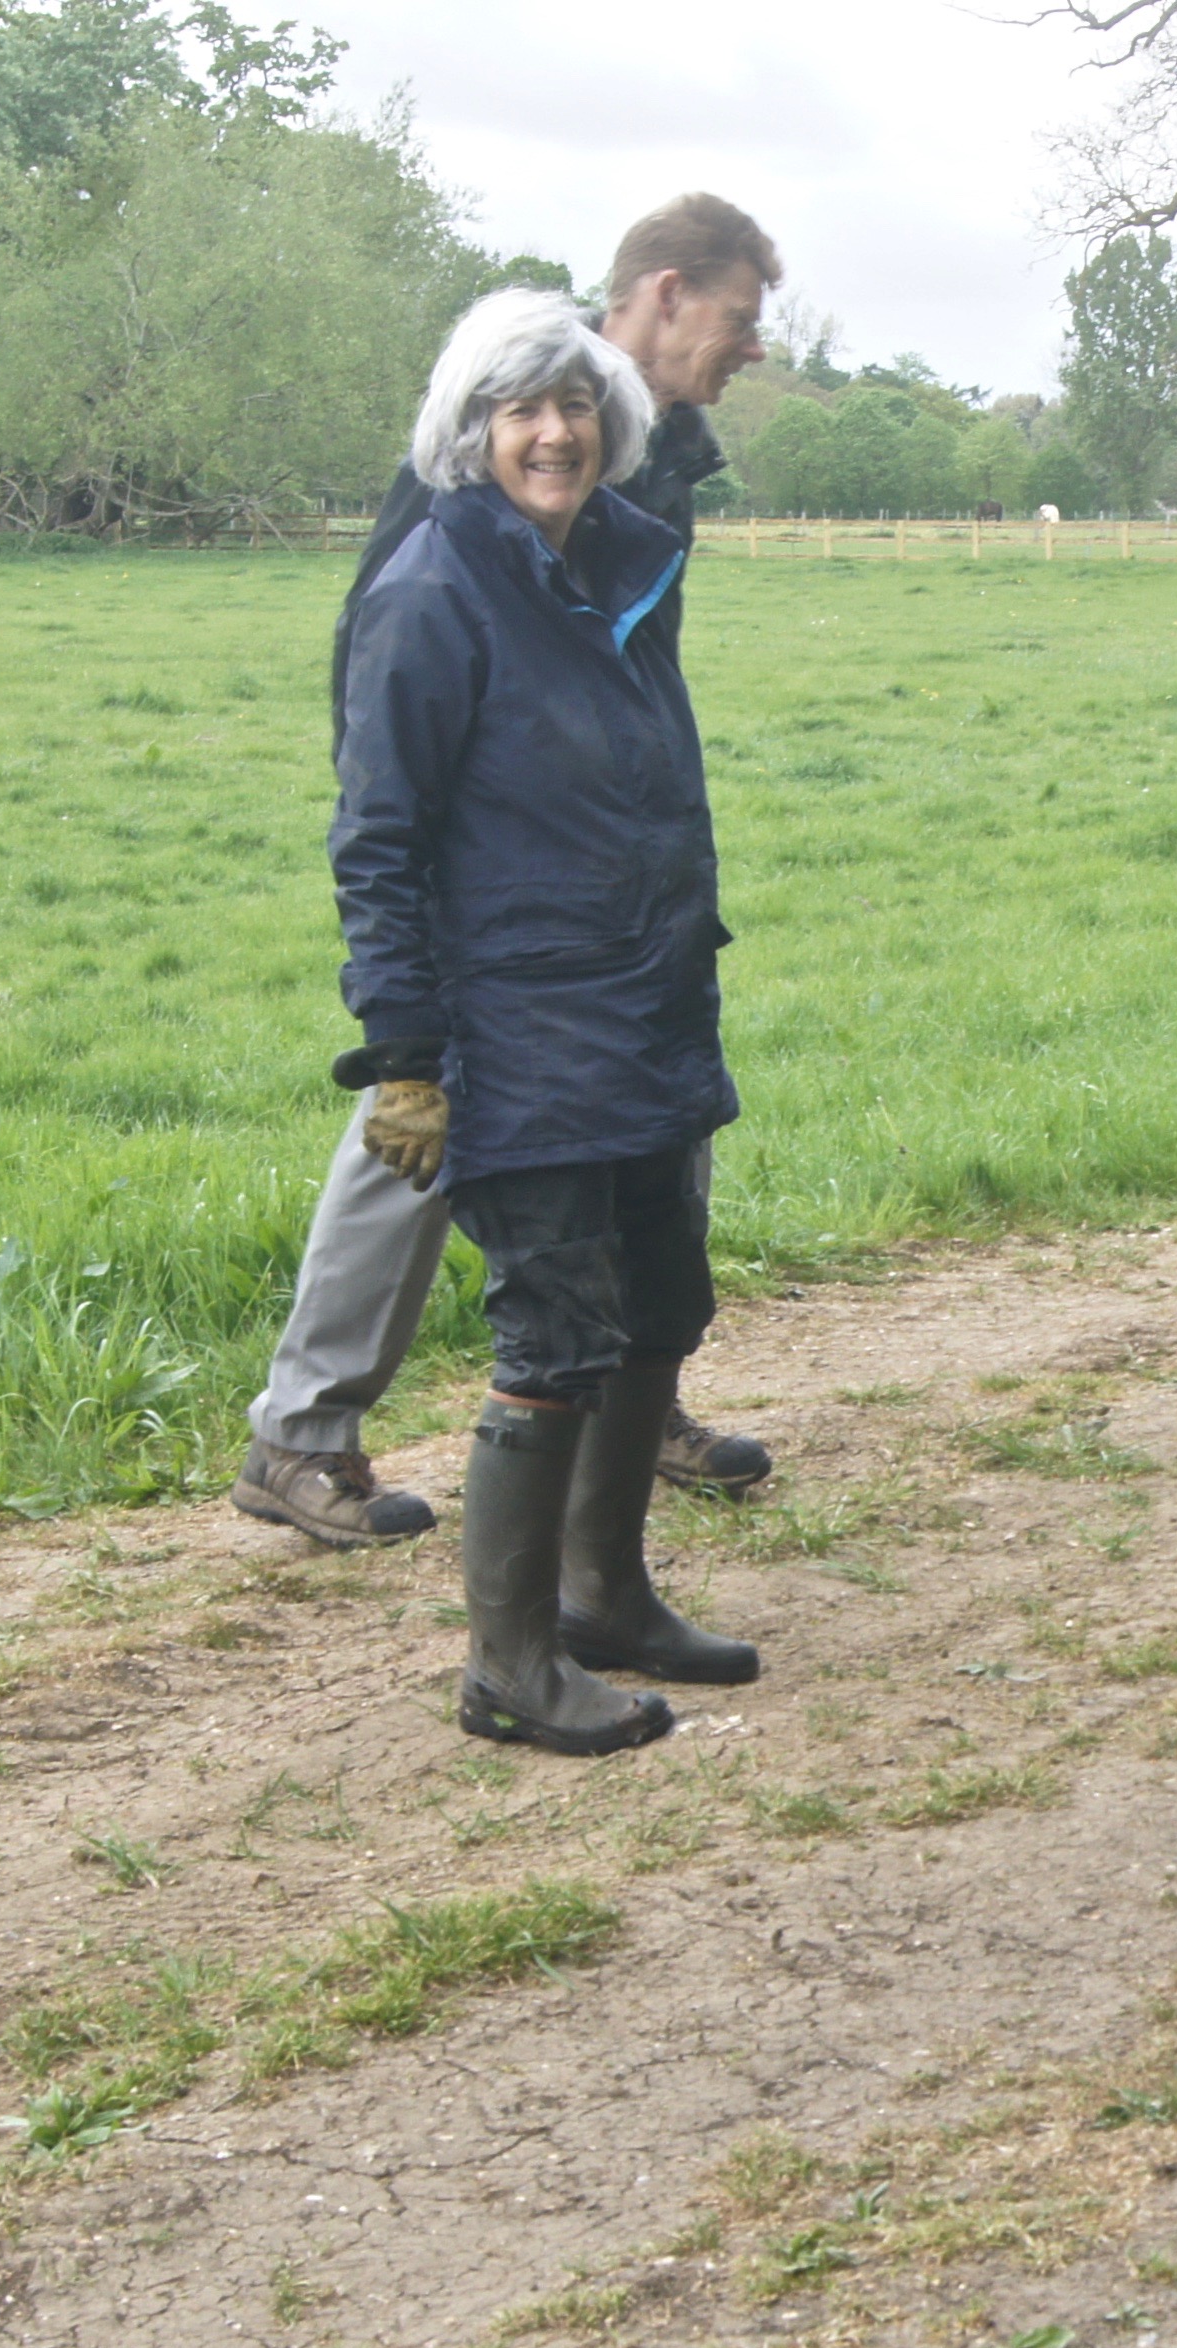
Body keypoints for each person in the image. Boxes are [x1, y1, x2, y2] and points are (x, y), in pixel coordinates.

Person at [234, 195, 782, 1548]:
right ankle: (303, 1430)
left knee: (645, 1129)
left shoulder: (657, 454)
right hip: (478, 853)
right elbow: (395, 656)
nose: (753, 347)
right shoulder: (493, 412)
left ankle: (632, 1395)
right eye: (738, 316)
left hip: (608, 876)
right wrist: (417, 874)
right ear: (667, 292)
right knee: (422, 1110)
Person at [329, 288, 762, 1754]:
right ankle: (509, 1664)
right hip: (519, 1024)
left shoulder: (626, 561)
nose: (554, 433)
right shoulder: (433, 591)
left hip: (649, 1003)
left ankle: (606, 1597)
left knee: (660, 1307)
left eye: (575, 405)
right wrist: (404, 1055)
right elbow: (379, 840)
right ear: (473, 432)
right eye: (520, 410)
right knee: (558, 1327)